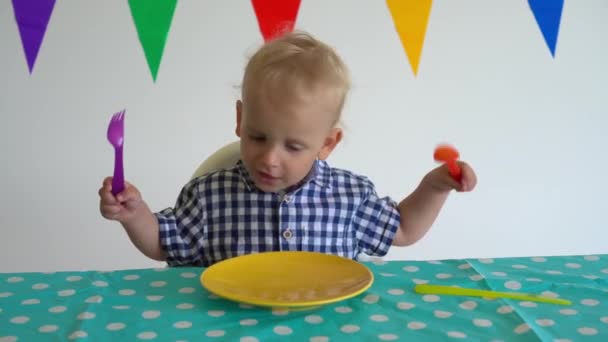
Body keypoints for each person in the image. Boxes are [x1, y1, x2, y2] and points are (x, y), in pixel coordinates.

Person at [99, 31, 477, 267]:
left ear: (327, 144)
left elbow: (405, 231)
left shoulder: (349, 196)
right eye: (257, 137)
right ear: (240, 119)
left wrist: (435, 187)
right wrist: (135, 214)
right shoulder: (208, 195)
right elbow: (163, 244)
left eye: (294, 146)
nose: (269, 158)